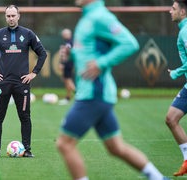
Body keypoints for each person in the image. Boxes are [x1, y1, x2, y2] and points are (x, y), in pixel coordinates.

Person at [55, 0, 168, 180]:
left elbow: (129, 43)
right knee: (116, 147)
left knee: (64, 144)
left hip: (94, 93)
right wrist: (72, 54)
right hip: (95, 93)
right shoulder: (87, 16)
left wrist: (102, 63)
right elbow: (88, 53)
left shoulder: (100, 16)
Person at [0, 5, 47, 158]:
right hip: (3, 83)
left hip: (21, 84)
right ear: (5, 17)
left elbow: (42, 53)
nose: (10, 18)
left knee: (25, 117)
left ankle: (27, 150)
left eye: (13, 15)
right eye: (8, 16)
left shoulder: (28, 34)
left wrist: (34, 73)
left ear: (19, 16)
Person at [166, 0, 187, 177]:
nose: (169, 11)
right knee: (171, 118)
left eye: (173, 8)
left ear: (183, 12)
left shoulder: (186, 32)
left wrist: (176, 73)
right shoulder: (183, 30)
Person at [58, 28, 75, 105]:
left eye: (65, 34)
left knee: (68, 80)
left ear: (69, 34)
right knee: (66, 80)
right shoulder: (69, 42)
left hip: (68, 63)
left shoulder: (69, 42)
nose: (63, 35)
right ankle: (68, 98)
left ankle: (78, 96)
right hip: (69, 63)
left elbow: (68, 52)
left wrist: (63, 63)